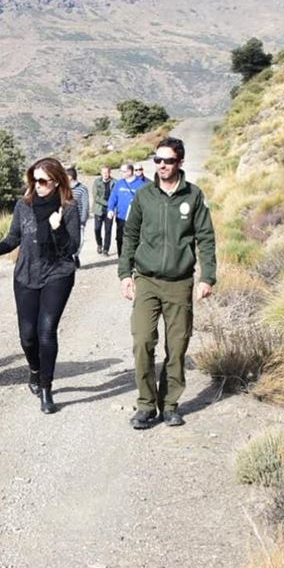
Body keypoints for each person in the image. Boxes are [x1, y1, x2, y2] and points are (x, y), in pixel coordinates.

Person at [119, 137, 216, 429]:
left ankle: (170, 405)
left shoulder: (193, 196)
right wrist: (125, 274)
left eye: (168, 161)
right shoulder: (144, 195)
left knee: (177, 347)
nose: (161, 165)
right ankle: (146, 405)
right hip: (146, 280)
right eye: (157, 160)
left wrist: (207, 276)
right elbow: (130, 236)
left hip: (179, 283)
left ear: (180, 162)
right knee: (143, 341)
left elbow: (206, 239)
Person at [0, 158, 80, 415]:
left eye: (43, 181)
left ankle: (46, 388)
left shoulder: (69, 208)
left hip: (58, 274)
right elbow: (12, 239)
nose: (37, 185)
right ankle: (34, 369)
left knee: (46, 331)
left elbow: (71, 248)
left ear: (56, 182)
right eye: (34, 180)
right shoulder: (24, 205)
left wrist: (57, 229)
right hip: (26, 275)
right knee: (27, 336)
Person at [105, 163, 145, 256]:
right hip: (121, 217)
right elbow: (113, 197)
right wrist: (110, 209)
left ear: (130, 171)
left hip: (135, 218)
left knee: (134, 238)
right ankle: (121, 258)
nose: (121, 173)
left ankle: (134, 259)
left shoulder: (141, 185)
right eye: (121, 171)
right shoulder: (119, 183)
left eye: (123, 171)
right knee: (120, 238)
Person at [67, 165, 91, 263]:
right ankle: (70, 257)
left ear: (70, 177)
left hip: (78, 219)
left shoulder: (82, 189)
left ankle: (76, 255)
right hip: (67, 219)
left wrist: (83, 220)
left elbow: (85, 205)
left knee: (79, 240)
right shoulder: (64, 189)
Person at [91, 165, 115, 255]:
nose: (105, 174)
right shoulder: (97, 182)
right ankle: (99, 244)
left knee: (108, 230)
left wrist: (112, 206)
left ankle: (106, 249)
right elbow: (95, 196)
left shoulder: (114, 182)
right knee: (97, 229)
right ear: (101, 173)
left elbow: (116, 195)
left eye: (107, 172)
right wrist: (108, 203)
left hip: (110, 210)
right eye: (103, 172)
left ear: (110, 173)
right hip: (99, 209)